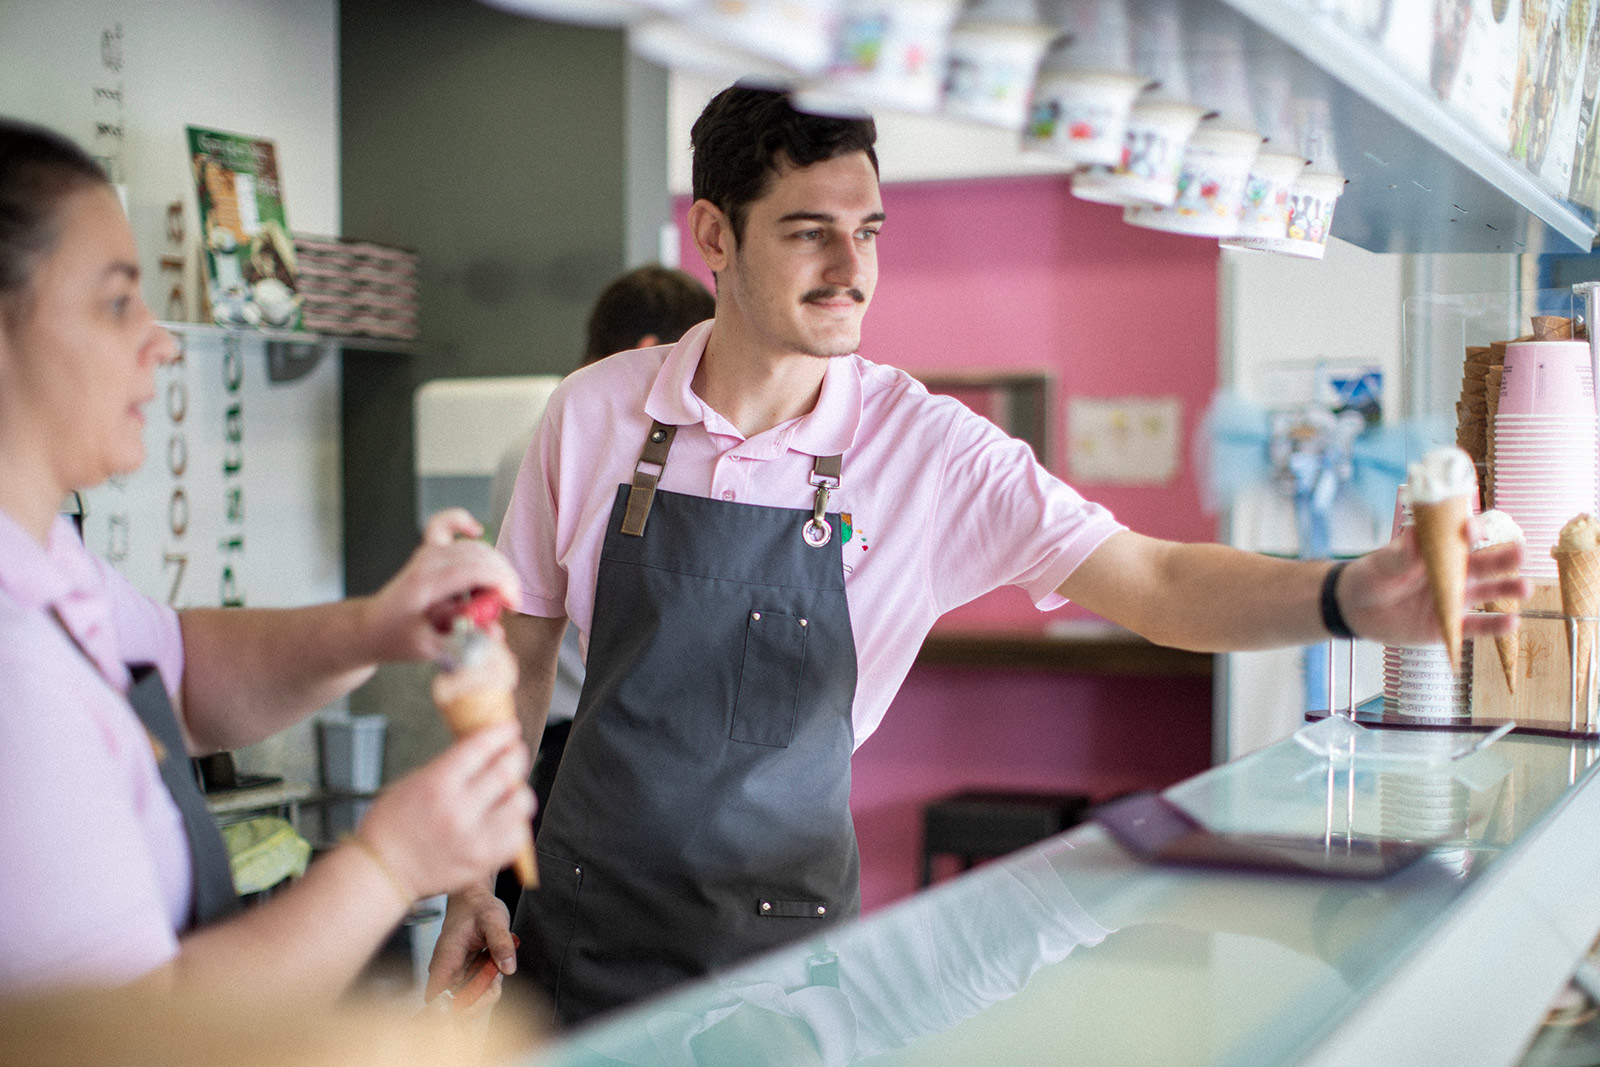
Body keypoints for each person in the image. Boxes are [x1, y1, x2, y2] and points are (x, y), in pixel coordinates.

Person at [429, 85, 1528, 1025]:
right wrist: (469, 876)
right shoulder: (592, 416)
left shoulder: (925, 447)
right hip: (567, 943)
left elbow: (1150, 577)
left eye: (868, 231)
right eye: (808, 230)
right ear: (714, 236)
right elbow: (515, 665)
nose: (848, 268)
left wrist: (1345, 596)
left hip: (781, 969)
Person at [0, 117, 535, 1003]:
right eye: (116, 301)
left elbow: (178, 672)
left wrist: (375, 623)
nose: (161, 340)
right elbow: (137, 1040)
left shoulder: (47, 553)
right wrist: (390, 858)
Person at [482, 265, 712, 914]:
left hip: (536, 753)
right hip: (581, 752)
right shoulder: (595, 452)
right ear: (649, 353)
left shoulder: (518, 448)